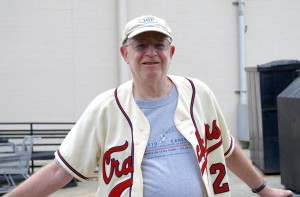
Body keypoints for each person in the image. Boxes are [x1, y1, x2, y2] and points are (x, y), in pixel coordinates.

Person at [4, 15, 294, 197]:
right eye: (141, 45)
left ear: (172, 51)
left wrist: (263, 190)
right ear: (125, 53)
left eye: (159, 44)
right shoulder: (106, 107)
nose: (151, 53)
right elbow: (59, 170)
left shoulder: (198, 94)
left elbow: (227, 150)